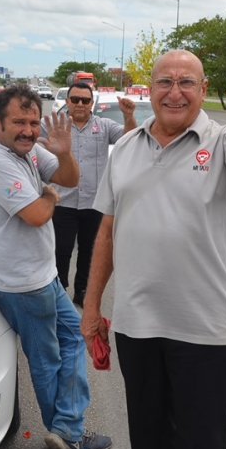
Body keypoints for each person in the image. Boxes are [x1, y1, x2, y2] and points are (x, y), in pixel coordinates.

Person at [80, 50, 226, 449]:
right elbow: (107, 230)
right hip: (135, 327)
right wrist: (91, 308)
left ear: (201, 90)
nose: (175, 92)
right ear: (150, 88)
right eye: (165, 81)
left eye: (186, 83)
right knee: (149, 447)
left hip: (203, 332)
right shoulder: (125, 147)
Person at [0, 84, 112, 449]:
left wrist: (64, 154)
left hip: (42, 275)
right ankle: (67, 431)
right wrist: (47, 197)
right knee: (47, 357)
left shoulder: (28, 152)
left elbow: (70, 179)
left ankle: (68, 426)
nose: (28, 130)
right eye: (19, 122)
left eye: (33, 122)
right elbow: (35, 215)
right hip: (21, 285)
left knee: (75, 338)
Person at [47, 82, 138, 306]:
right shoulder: (56, 125)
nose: (80, 104)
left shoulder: (104, 126)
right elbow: (24, 131)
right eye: (75, 99)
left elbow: (129, 137)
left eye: (85, 100)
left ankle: (83, 291)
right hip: (63, 201)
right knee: (61, 251)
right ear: (67, 101)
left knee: (89, 251)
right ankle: (59, 293)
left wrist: (128, 116)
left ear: (91, 103)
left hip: (94, 202)